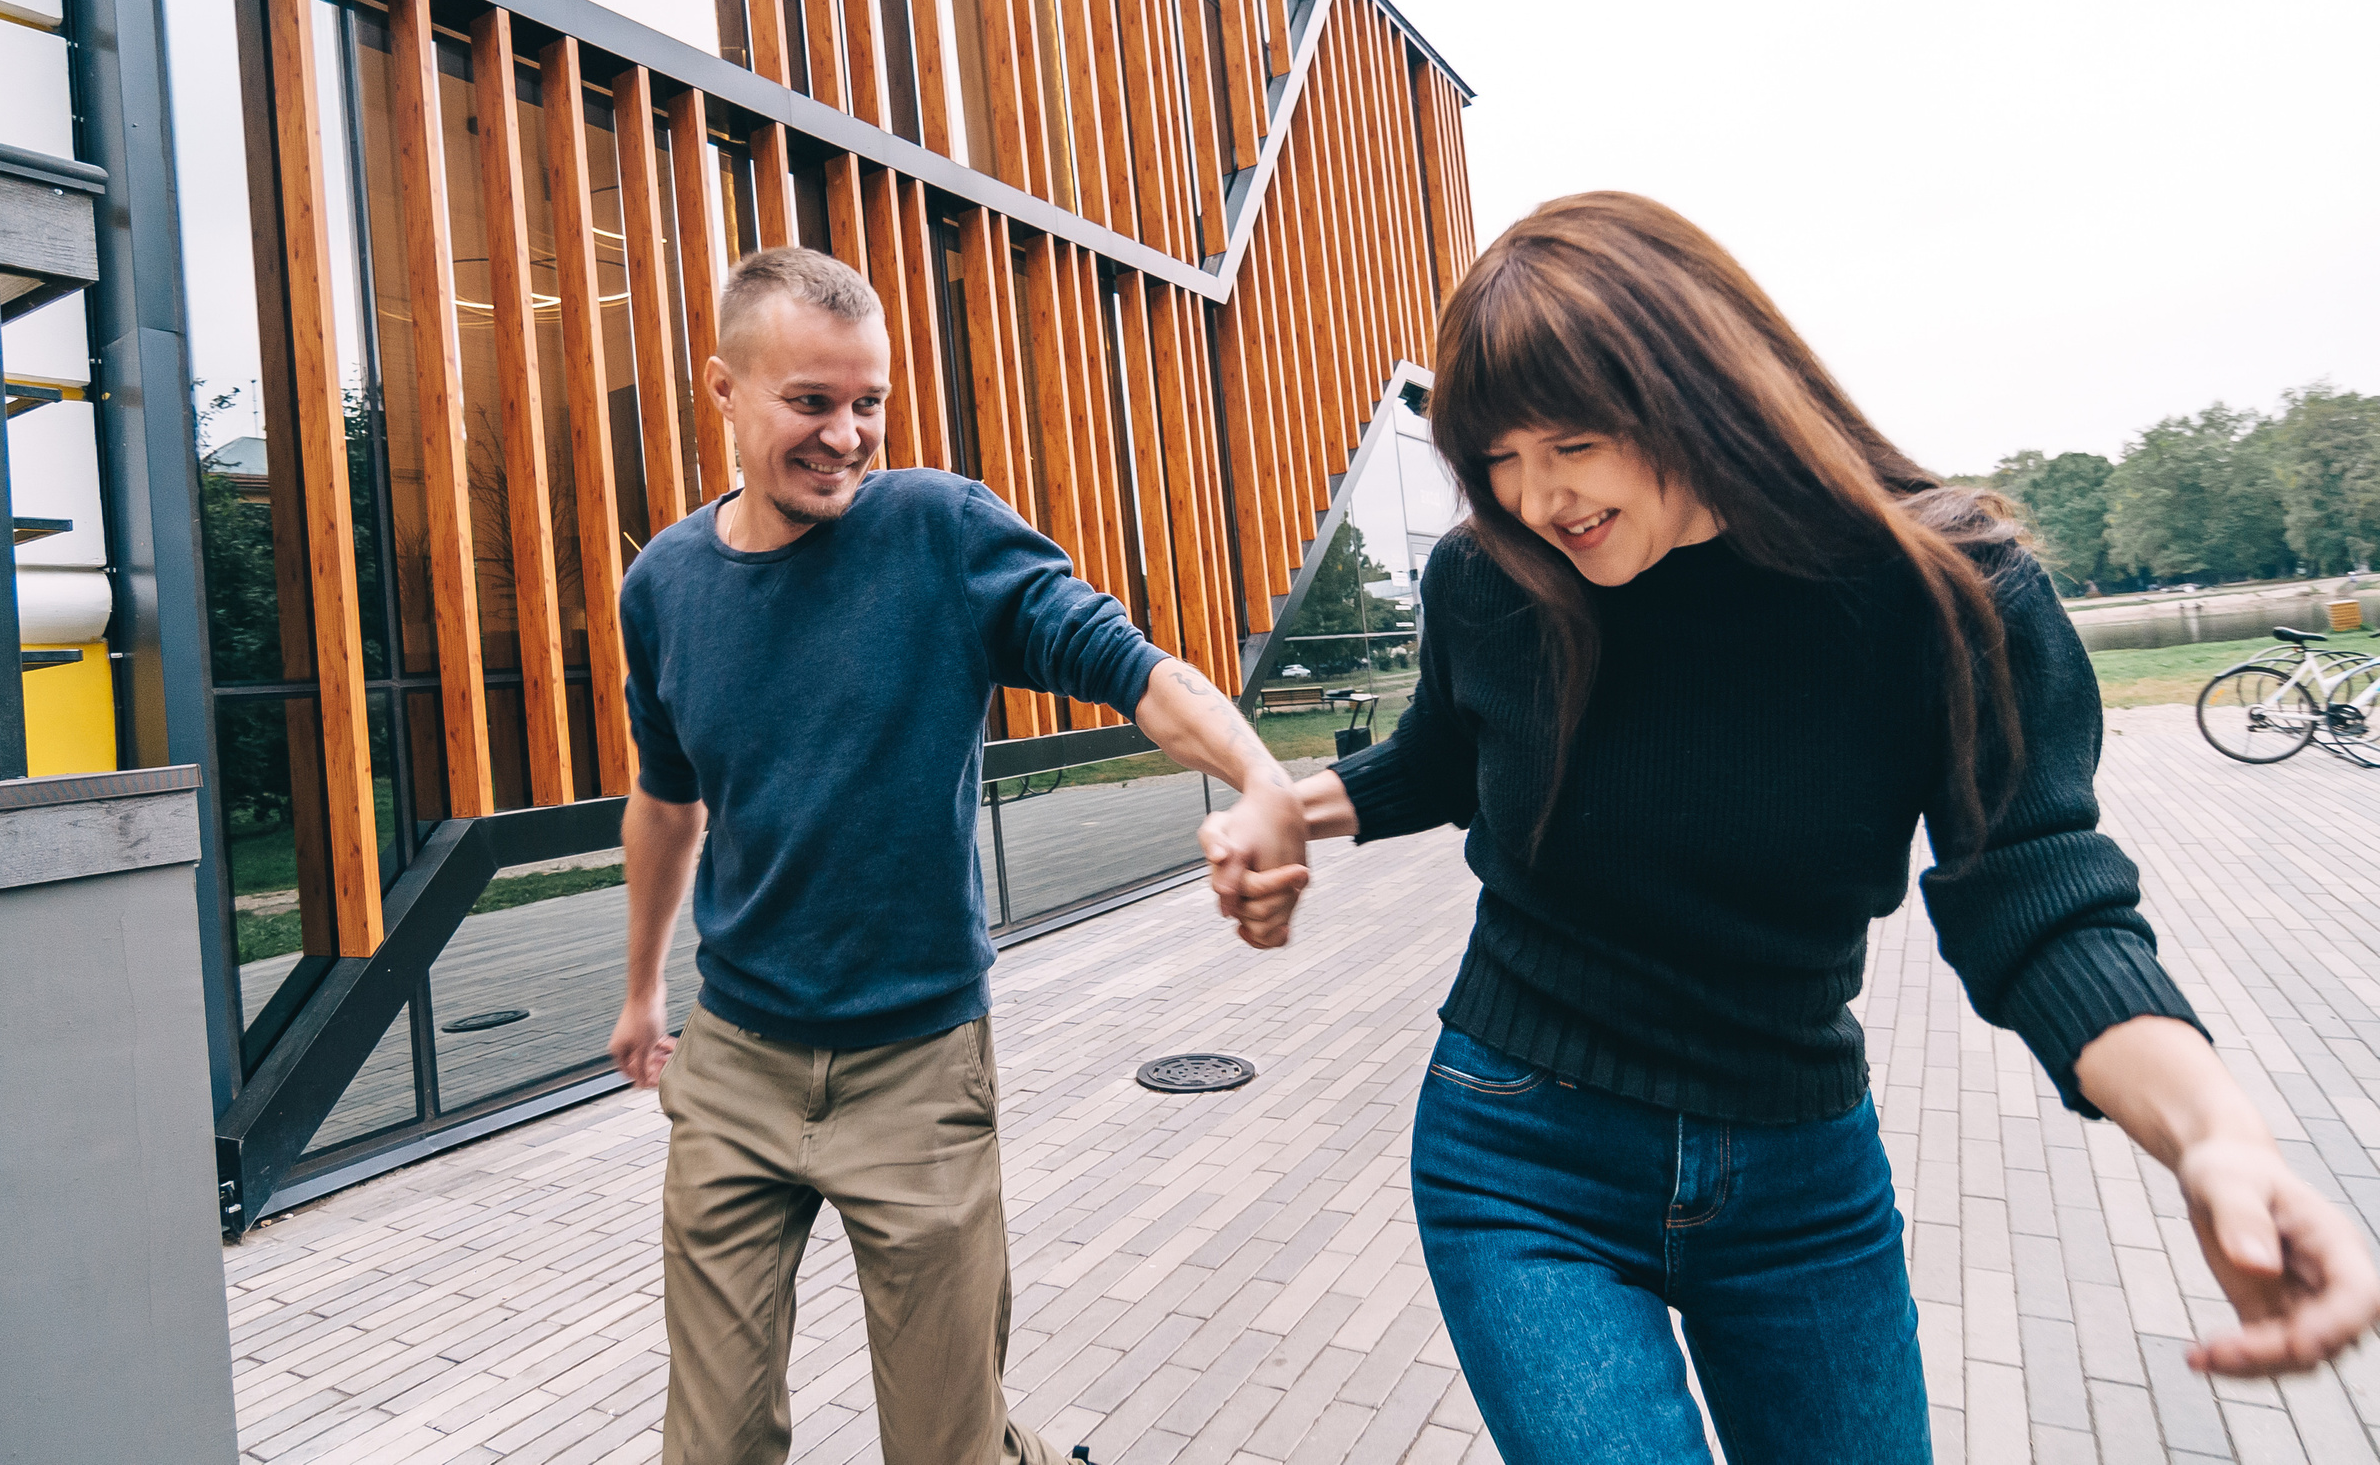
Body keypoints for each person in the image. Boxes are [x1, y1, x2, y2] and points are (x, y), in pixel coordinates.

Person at [1205, 193, 2380, 1463]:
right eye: (1496, 458)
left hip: (1799, 1174)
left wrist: (2213, 1132)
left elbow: (2036, 894)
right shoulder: (1492, 580)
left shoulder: (1943, 597)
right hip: (1518, 1154)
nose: (1535, 497)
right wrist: (1295, 807)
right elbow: (1446, 759)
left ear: (1695, 390)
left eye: (1571, 444)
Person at [609, 247, 1309, 1465]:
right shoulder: (663, 586)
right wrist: (638, 991)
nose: (846, 435)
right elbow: (666, 803)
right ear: (721, 388)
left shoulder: (938, 532)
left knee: (946, 1447)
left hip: (915, 1072)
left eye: (868, 401)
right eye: (811, 402)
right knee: (709, 1446)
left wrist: (1260, 780)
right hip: (733, 1066)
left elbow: (1130, 666)